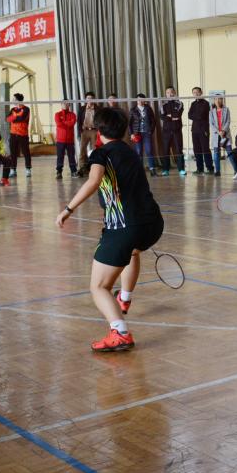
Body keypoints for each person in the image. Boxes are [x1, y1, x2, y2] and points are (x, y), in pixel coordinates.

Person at [56, 107, 165, 352]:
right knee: (132, 253)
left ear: (99, 131)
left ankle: (120, 332)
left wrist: (68, 209)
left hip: (124, 227)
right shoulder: (131, 151)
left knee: (98, 287)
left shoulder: (101, 153)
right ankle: (124, 299)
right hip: (153, 223)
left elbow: (94, 181)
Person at [159, 86, 186, 176]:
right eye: (167, 92)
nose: (169, 94)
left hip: (176, 130)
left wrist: (169, 116)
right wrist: (169, 117)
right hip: (166, 131)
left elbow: (177, 115)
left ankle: (181, 169)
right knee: (165, 150)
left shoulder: (179, 103)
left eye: (171, 92)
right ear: (165, 94)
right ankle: (165, 170)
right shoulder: (163, 105)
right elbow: (162, 117)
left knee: (179, 149)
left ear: (174, 93)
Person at [128, 94, 157, 175]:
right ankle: (140, 171)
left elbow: (153, 121)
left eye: (142, 99)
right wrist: (131, 134)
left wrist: (151, 131)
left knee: (149, 150)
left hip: (147, 133)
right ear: (136, 100)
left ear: (145, 100)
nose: (140, 101)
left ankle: (152, 170)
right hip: (137, 133)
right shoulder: (133, 109)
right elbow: (129, 123)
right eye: (139, 99)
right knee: (138, 152)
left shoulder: (148, 108)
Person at [188, 86, 213, 174]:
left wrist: (196, 115)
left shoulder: (206, 103)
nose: (196, 94)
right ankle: (200, 168)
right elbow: (189, 115)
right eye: (194, 93)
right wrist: (197, 116)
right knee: (196, 149)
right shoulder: (193, 104)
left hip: (203, 130)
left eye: (197, 92)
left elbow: (202, 115)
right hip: (194, 130)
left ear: (201, 92)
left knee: (205, 149)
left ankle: (210, 168)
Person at [6, 93, 32, 178]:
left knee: (26, 152)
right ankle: (13, 170)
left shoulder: (26, 109)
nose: (12, 101)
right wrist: (14, 118)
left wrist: (13, 118)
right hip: (13, 134)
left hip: (23, 134)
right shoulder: (13, 109)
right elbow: (7, 119)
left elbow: (21, 118)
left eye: (14, 99)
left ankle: (28, 169)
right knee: (13, 153)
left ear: (18, 100)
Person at [54, 101, 78, 179]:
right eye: (64, 103)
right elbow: (59, 124)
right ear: (61, 105)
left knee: (71, 156)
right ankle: (59, 172)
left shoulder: (73, 114)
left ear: (69, 105)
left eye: (67, 103)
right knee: (60, 156)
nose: (65, 105)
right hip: (60, 140)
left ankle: (73, 171)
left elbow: (72, 123)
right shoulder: (57, 114)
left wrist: (64, 123)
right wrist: (67, 123)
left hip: (70, 140)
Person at [77, 92, 99, 176]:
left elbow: (100, 120)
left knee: (95, 149)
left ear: (94, 99)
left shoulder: (98, 109)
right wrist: (79, 131)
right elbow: (79, 121)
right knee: (82, 149)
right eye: (88, 98)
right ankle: (82, 168)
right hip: (84, 131)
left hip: (94, 131)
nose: (89, 100)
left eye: (91, 98)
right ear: (86, 99)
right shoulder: (82, 108)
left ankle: (95, 167)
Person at [209, 95, 231, 177]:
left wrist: (223, 131)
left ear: (222, 100)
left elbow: (228, 121)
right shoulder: (211, 111)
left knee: (229, 152)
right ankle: (217, 171)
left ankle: (236, 170)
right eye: (216, 99)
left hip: (225, 134)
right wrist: (218, 131)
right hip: (216, 134)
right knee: (216, 153)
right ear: (214, 101)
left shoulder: (226, 110)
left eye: (220, 99)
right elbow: (211, 124)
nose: (218, 101)